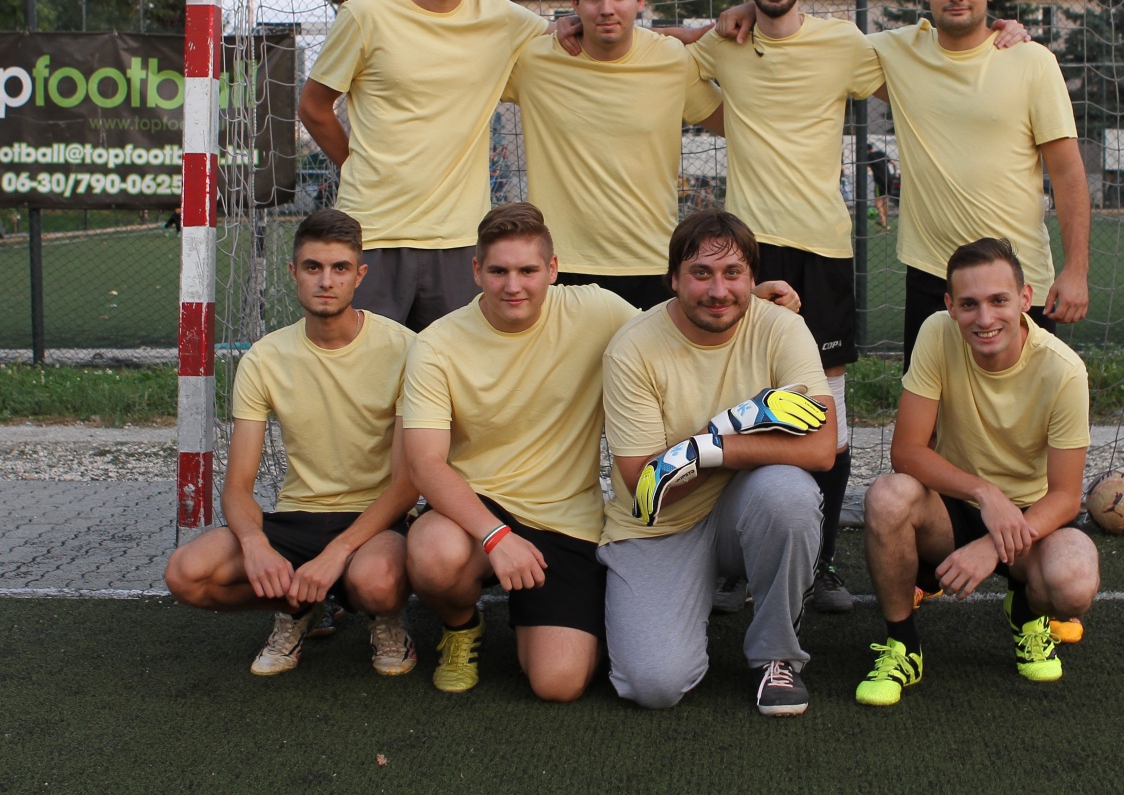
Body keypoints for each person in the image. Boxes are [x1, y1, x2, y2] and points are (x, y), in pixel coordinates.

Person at [700, 0, 1031, 613]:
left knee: (827, 410)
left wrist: (1007, 32)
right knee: (736, 401)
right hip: (745, 252)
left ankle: (818, 563)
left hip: (822, 250)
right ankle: (736, 559)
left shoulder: (847, 45)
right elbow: (662, 50)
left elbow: (936, 50)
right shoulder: (722, 43)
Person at [399, 202, 798, 700]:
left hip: (566, 520)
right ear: (477, 270)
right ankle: (461, 627)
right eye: (498, 271)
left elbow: (675, 321)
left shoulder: (596, 310)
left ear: (552, 268)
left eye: (527, 271)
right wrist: (496, 536)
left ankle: (584, 623)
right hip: (477, 512)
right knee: (433, 553)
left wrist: (744, 298)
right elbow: (425, 463)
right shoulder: (436, 344)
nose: (513, 286)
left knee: (558, 684)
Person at [297, 0, 577, 332]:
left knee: (450, 369)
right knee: (367, 368)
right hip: (374, 232)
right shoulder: (367, 12)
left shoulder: (500, 17)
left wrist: (693, 35)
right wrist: (356, 164)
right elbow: (313, 107)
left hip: (458, 239)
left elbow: (580, 36)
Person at [598, 209, 837, 716]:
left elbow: (821, 448)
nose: (718, 290)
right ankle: (660, 600)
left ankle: (776, 655)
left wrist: (714, 443)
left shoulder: (781, 327)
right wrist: (742, 427)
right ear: (673, 279)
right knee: (654, 685)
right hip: (661, 525)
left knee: (788, 494)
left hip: (746, 509)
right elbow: (648, 487)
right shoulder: (633, 348)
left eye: (733, 273)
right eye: (701, 273)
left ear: (752, 278)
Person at [164, 209, 418, 678]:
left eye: (340, 268)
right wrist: (255, 542)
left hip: (376, 520)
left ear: (359, 275)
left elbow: (407, 484)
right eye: (312, 267)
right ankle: (299, 607)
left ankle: (383, 618)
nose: (326, 281)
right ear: (293, 273)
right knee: (187, 574)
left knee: (376, 583)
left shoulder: (405, 349)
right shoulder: (264, 358)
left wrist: (337, 554)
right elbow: (237, 486)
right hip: (298, 516)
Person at [854, 237, 1098, 705]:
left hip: (1032, 525)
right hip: (955, 510)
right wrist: (985, 494)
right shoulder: (936, 332)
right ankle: (902, 646)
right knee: (888, 495)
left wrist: (993, 546)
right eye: (969, 304)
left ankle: (1026, 610)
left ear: (1025, 299)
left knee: (1074, 583)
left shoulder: (1064, 370)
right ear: (950, 306)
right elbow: (906, 451)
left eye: (998, 300)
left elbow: (1067, 497)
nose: (984, 319)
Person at [866, 0, 1091, 367]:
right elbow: (812, 42)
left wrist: (1076, 270)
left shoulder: (1032, 61)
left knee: (1026, 406)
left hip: (1017, 279)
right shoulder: (898, 53)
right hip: (933, 276)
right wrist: (745, 10)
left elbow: (1067, 171)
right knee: (931, 405)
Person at [503, 0, 720, 309]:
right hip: (561, 264)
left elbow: (737, 123)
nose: (606, 8)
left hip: (650, 261)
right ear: (574, 3)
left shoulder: (671, 59)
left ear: (640, 0)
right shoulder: (535, 61)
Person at [866, 141, 892, 230]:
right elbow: (892, 162)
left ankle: (884, 224)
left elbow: (867, 168)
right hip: (889, 178)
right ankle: (884, 220)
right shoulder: (881, 153)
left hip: (879, 180)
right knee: (885, 200)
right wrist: (896, 173)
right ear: (872, 148)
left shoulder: (868, 156)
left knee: (878, 202)